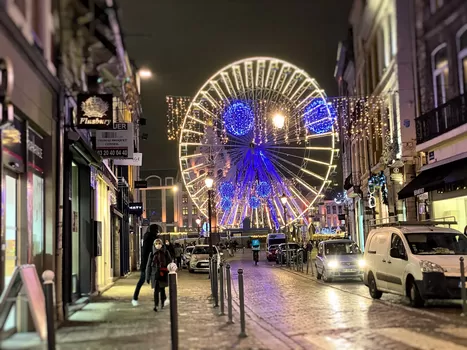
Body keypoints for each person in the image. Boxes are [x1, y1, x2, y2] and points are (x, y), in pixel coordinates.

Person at [132, 224, 160, 306]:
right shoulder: (152, 239)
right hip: (150, 263)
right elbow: (152, 251)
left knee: (143, 280)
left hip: (147, 263)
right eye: (156, 230)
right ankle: (157, 299)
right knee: (156, 280)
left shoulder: (147, 238)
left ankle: (135, 297)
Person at [146, 238, 172, 312]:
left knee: (162, 289)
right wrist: (147, 277)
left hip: (163, 274)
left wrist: (170, 271)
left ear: (162, 244)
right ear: (154, 245)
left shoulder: (166, 252)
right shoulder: (152, 254)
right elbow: (148, 266)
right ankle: (156, 305)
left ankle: (163, 302)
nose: (158, 245)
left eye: (159, 243)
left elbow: (170, 263)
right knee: (156, 291)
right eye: (156, 244)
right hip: (155, 275)